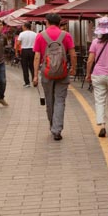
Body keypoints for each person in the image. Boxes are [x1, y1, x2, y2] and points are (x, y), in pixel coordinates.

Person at [33, 13, 76, 141]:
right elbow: (73, 54)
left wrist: (35, 75)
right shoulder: (66, 35)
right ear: (59, 23)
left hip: (46, 72)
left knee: (49, 100)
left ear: (47, 22)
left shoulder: (40, 36)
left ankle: (53, 125)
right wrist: (73, 68)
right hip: (62, 71)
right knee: (60, 100)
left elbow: (37, 57)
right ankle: (57, 129)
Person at [16, 23, 37, 87]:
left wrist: (16, 52)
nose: (22, 27)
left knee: (25, 67)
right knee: (32, 66)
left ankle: (27, 83)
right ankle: (34, 80)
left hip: (24, 50)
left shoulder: (22, 34)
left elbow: (18, 43)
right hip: (33, 50)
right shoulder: (35, 34)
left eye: (23, 26)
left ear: (25, 27)